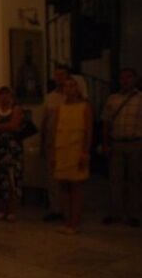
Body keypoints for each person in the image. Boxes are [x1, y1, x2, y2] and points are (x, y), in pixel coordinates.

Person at [50, 77, 92, 234]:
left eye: (73, 85)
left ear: (79, 88)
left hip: (76, 149)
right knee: (63, 186)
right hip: (62, 149)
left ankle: (75, 221)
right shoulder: (60, 108)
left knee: (75, 187)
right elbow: (55, 131)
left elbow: (88, 131)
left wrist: (85, 152)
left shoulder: (85, 107)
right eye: (66, 85)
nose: (69, 88)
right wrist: (53, 153)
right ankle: (67, 219)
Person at [102, 68, 142, 227]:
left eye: (128, 77)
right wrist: (105, 143)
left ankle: (134, 214)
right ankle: (116, 212)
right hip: (117, 143)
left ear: (135, 79)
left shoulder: (141, 99)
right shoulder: (112, 99)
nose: (125, 80)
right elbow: (105, 123)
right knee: (115, 180)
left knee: (135, 180)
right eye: (122, 78)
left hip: (136, 143)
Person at [0, 87, 23, 222]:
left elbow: (14, 126)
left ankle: (12, 209)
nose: (3, 98)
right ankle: (0, 208)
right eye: (1, 95)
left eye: (6, 94)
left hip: (12, 150)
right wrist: (5, 126)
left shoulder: (16, 109)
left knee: (12, 179)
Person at [40, 66, 70, 222]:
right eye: (56, 75)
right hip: (51, 142)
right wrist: (42, 142)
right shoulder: (50, 97)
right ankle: (55, 209)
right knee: (52, 178)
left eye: (62, 75)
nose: (59, 78)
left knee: (67, 177)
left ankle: (68, 210)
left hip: (68, 143)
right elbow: (45, 122)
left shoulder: (73, 98)